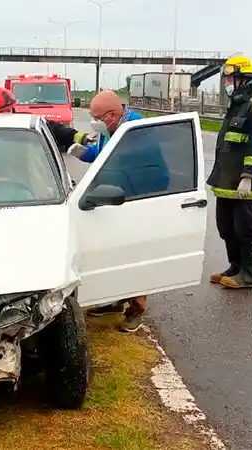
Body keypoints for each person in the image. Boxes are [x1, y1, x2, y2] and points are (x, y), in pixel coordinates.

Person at [78, 90, 153, 333]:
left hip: (134, 197)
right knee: (112, 253)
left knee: (133, 255)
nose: (94, 122)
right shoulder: (109, 129)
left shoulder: (135, 130)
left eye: (97, 117)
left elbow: (135, 166)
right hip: (112, 197)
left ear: (111, 115)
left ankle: (136, 309)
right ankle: (114, 300)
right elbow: (103, 155)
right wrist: (84, 153)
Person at [206, 55, 252, 289]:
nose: (226, 83)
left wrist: (248, 176)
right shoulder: (236, 105)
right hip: (226, 181)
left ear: (243, 79)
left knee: (245, 228)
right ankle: (235, 266)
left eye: (230, 78)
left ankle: (248, 274)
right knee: (226, 227)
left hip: (246, 183)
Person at [0, 86, 95, 150]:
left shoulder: (26, 123)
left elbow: (55, 130)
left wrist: (78, 136)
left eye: (9, 110)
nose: (8, 114)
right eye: (4, 112)